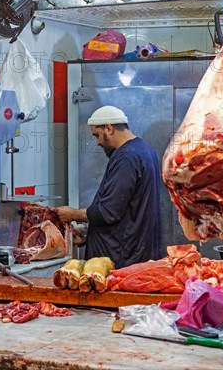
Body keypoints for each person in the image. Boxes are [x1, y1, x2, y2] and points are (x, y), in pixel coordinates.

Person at [57, 106, 162, 268]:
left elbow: (108, 212)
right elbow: (128, 209)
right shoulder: (145, 150)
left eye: (97, 135)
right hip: (136, 251)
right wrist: (88, 235)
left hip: (122, 260)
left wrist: (72, 214)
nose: (97, 142)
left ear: (109, 128)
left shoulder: (127, 157)